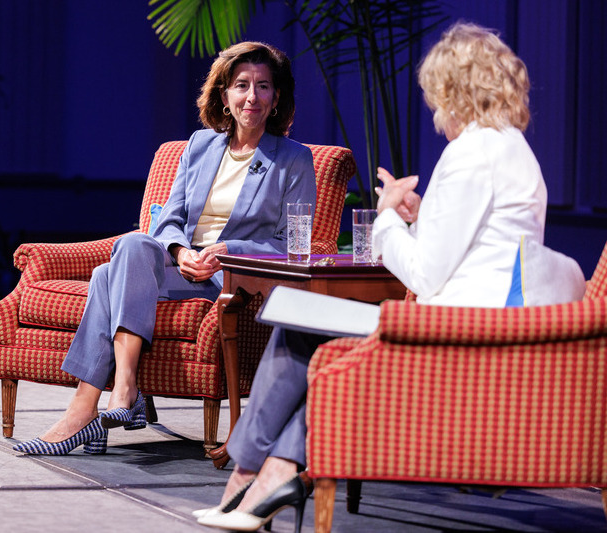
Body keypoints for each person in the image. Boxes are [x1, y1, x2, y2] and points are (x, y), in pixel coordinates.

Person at [195, 22, 547, 532]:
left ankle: (247, 480)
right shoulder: (507, 146)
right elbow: (479, 241)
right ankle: (271, 477)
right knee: (305, 326)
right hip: (482, 316)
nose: (434, 109)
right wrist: (421, 215)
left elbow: (425, 274)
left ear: (454, 89)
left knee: (296, 321)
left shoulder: (470, 154)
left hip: (459, 331)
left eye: (436, 96)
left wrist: (384, 218)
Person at [12, 41, 317, 455]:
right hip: (180, 268)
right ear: (224, 95)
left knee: (105, 276)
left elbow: (289, 244)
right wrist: (180, 252)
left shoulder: (294, 159)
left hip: (230, 277)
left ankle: (87, 410)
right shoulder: (199, 145)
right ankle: (122, 391)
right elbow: (168, 220)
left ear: (277, 96)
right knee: (135, 243)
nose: (252, 96)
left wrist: (224, 249)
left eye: (263, 86)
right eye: (241, 85)